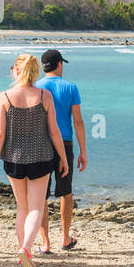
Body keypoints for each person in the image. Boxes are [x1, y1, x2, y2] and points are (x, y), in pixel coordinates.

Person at [0, 54, 68, 267]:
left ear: (17, 71)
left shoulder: (4, 96)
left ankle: (25, 251)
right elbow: (54, 131)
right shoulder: (45, 96)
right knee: (36, 207)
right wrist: (62, 157)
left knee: (22, 207)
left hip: (13, 159)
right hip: (41, 158)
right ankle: (26, 249)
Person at [35, 48, 87, 252]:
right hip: (64, 144)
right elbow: (78, 121)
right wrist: (83, 151)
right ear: (59, 64)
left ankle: (45, 242)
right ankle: (65, 238)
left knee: (41, 194)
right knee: (66, 192)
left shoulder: (36, 87)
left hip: (42, 144)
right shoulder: (71, 87)